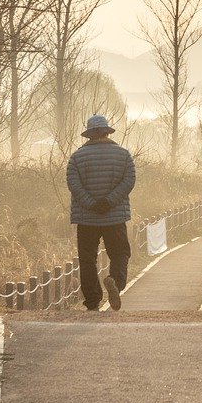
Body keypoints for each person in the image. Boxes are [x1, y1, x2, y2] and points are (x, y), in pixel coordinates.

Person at [66, 114, 135, 311]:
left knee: (87, 259)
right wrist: (109, 201)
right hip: (115, 216)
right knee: (120, 253)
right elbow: (129, 181)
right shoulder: (123, 155)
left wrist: (91, 204)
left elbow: (73, 184)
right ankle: (115, 282)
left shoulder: (76, 158)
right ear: (107, 131)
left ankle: (92, 300)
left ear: (89, 135)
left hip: (86, 217)